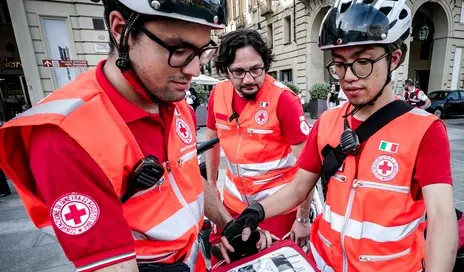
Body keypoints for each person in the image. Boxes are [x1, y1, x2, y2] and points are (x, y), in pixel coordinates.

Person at [0, 1, 266, 271]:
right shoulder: (66, 138)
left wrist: (226, 223)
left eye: (202, 51)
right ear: (120, 29)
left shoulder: (172, 102)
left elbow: (185, 173)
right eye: (180, 49)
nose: (194, 69)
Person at [223, 0, 458, 271]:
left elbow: (441, 216)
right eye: (339, 64)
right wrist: (257, 211)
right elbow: (299, 187)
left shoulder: (425, 130)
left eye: (362, 62)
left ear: (394, 58)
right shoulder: (328, 122)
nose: (349, 77)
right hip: (324, 263)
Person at [204, 29, 313, 263]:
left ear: (266, 65)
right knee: (228, 263)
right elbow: (212, 139)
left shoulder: (284, 100)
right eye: (239, 72)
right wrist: (212, 183)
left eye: (256, 69)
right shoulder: (217, 94)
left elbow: (309, 168)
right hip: (233, 206)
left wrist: (303, 219)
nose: (249, 79)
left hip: (277, 209)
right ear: (225, 70)